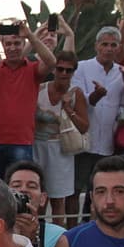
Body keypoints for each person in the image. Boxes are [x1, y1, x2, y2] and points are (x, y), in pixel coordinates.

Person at [0, 21, 57, 178]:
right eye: (8, 44)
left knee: (19, 190)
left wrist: (31, 36)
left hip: (21, 141)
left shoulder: (33, 69)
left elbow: (51, 62)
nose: (12, 48)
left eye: (17, 43)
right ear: (3, 46)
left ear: (23, 43)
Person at [71, 28, 124, 197]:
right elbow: (78, 100)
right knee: (75, 190)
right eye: (105, 44)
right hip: (83, 141)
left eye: (113, 45)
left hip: (108, 144)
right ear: (97, 46)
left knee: (101, 191)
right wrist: (96, 95)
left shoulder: (122, 73)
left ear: (119, 48)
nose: (109, 49)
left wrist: (123, 120)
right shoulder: (81, 68)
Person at [34, 51, 88, 220]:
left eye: (68, 70)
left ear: (73, 72)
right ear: (53, 70)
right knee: (39, 198)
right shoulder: (40, 89)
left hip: (61, 149)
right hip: (38, 146)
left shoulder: (75, 93)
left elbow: (84, 126)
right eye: (60, 69)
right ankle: (38, 235)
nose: (64, 73)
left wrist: (69, 109)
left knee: (58, 200)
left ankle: (57, 236)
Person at [6, 160, 65, 247]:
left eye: (32, 186)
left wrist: (32, 241)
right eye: (16, 185)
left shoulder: (58, 236)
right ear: (4, 194)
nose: (23, 190)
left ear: (43, 198)